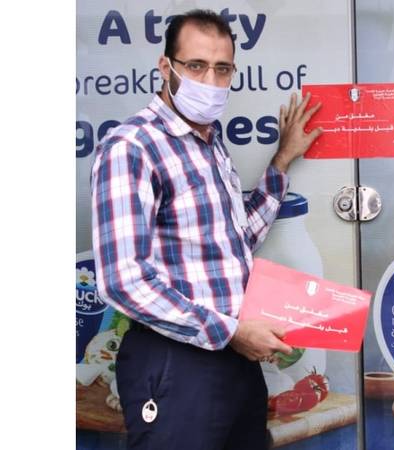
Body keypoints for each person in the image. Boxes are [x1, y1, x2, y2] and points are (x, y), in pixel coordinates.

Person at [91, 9, 322, 450]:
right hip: (176, 362)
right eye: (196, 66)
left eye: (222, 68)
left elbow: (235, 241)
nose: (210, 81)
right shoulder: (132, 147)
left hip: (235, 360)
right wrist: (230, 332)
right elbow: (123, 280)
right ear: (166, 67)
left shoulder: (210, 142)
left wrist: (282, 159)